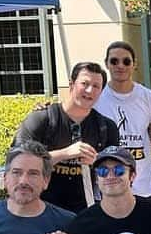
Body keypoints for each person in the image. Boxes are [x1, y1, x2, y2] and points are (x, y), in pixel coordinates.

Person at [15, 61, 120, 213]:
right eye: (84, 83)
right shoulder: (42, 119)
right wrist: (65, 153)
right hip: (39, 210)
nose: (90, 90)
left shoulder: (106, 127)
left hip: (84, 212)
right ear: (71, 84)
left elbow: (116, 171)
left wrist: (97, 162)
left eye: (96, 86)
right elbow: (17, 162)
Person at [94, 41, 151, 199]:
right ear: (106, 64)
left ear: (134, 64)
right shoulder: (96, 98)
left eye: (126, 61)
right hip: (108, 186)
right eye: (114, 61)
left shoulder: (149, 98)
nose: (120, 66)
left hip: (144, 187)